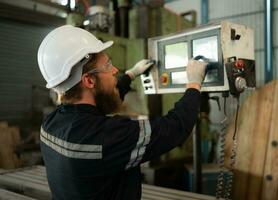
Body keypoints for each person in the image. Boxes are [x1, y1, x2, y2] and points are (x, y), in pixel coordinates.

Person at [37, 25, 207, 200]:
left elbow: (104, 97)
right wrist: (194, 84)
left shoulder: (50, 124)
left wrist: (131, 75)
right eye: (108, 65)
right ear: (88, 80)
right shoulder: (105, 137)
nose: (114, 70)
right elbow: (174, 127)